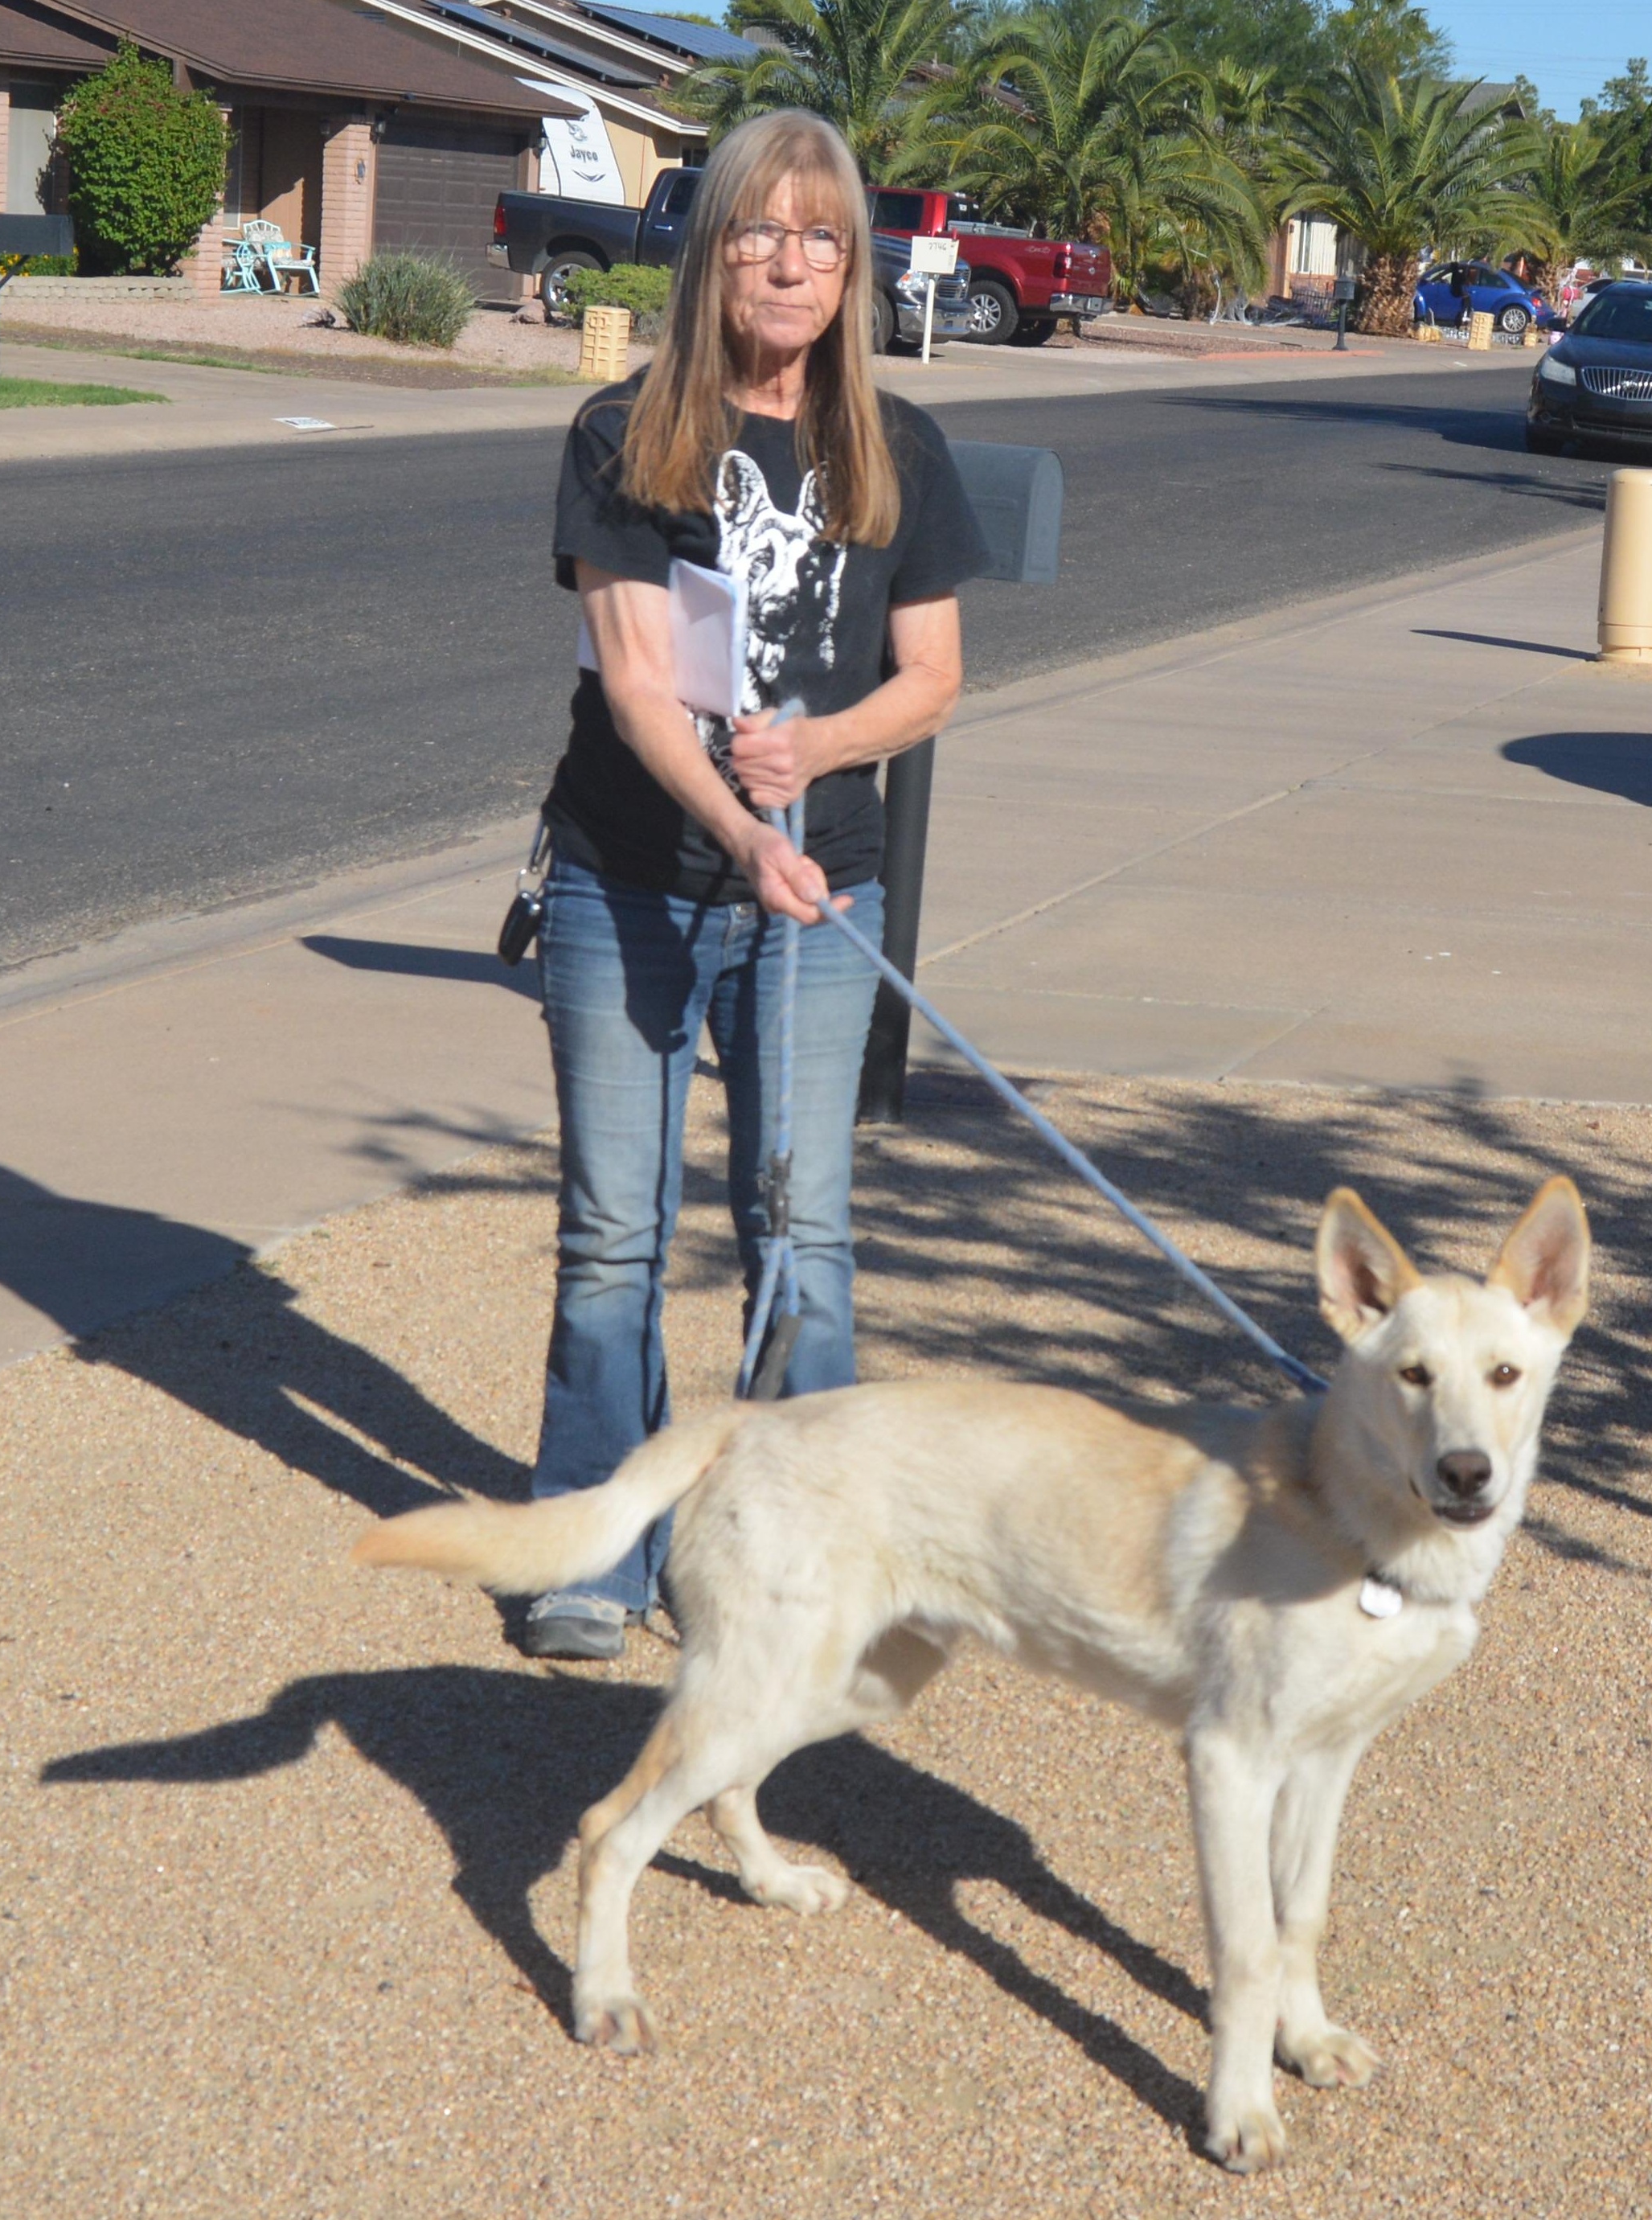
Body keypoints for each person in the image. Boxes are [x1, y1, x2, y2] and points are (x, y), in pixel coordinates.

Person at [519, 109, 988, 1659]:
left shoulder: (893, 446)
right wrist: (740, 826)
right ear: (709, 250)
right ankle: (600, 1544)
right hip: (631, 882)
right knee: (614, 1233)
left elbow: (930, 677)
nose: (788, 264)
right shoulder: (623, 433)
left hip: (820, 891)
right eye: (758, 232)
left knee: (803, 1233)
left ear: (851, 267)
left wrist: (819, 746)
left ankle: (805, 1564)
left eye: (820, 238)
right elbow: (643, 686)